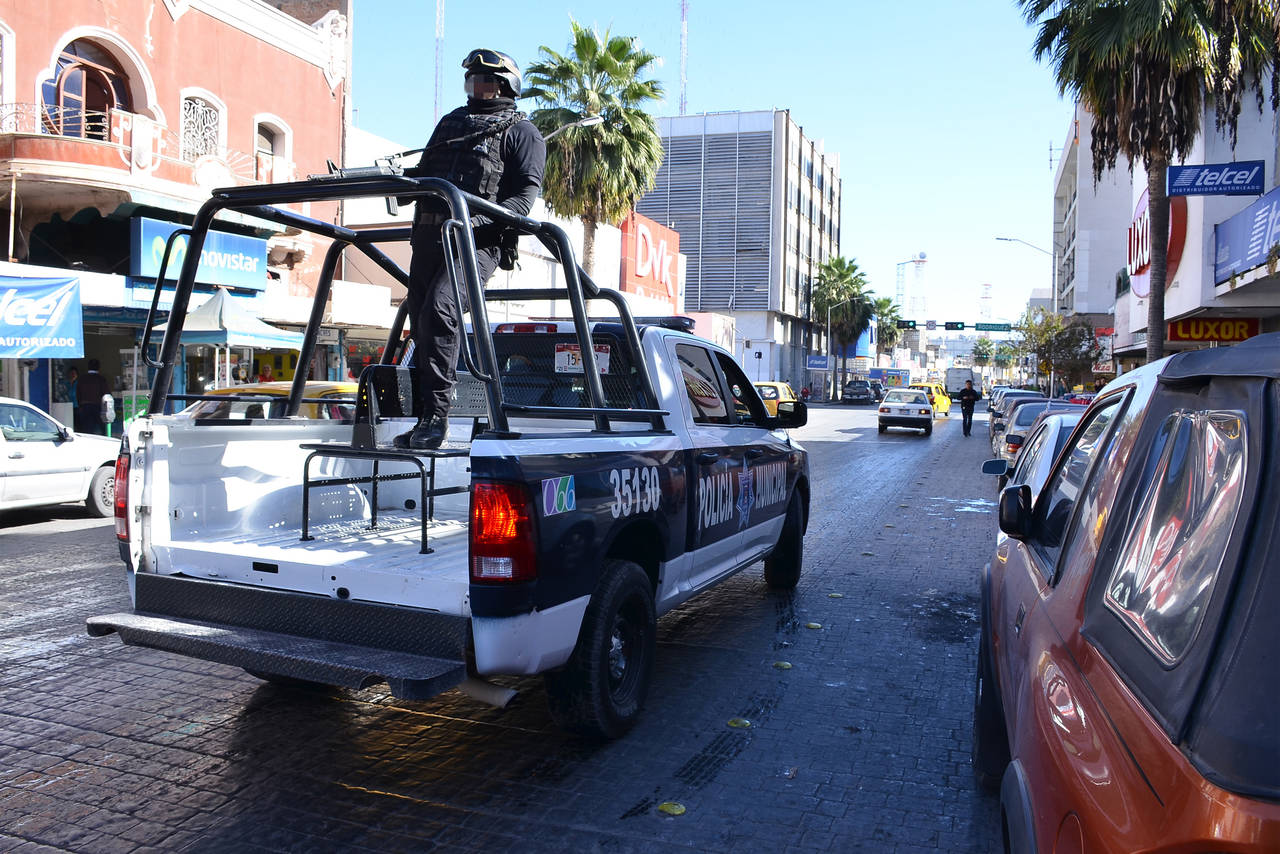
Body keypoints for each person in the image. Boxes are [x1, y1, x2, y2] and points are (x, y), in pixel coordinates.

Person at [394, 48, 546, 450]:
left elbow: (523, 200)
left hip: (476, 243)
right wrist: (394, 180)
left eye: (485, 81)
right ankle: (422, 416)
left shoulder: (522, 132)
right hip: (428, 239)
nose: (477, 87)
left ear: (506, 85)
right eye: (472, 80)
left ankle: (436, 419)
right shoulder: (450, 122)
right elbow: (424, 175)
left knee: (441, 309)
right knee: (421, 322)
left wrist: (472, 222)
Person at [76, 358, 110, 435]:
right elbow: (106, 394)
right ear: (98, 367)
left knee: (87, 431)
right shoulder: (101, 379)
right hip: (98, 407)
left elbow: (78, 394)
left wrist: (80, 405)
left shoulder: (82, 379)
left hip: (84, 407)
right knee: (103, 430)